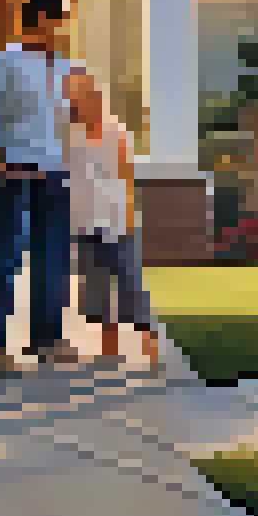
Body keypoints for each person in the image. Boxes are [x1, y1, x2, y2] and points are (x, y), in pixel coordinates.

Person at [0, 0, 78, 376]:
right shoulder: (5, 61)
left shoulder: (66, 66)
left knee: (51, 257)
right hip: (17, 166)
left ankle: (47, 340)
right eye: (59, 20)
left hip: (56, 169)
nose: (64, 28)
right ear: (38, 20)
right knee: (6, 257)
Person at [64, 65, 160, 371]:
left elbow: (127, 177)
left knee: (131, 285)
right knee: (98, 289)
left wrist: (129, 214)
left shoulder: (115, 130)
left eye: (83, 90)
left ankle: (151, 349)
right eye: (72, 92)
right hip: (85, 222)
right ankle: (110, 351)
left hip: (118, 220)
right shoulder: (67, 134)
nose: (79, 98)